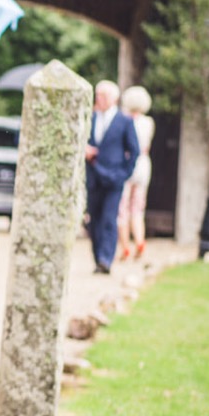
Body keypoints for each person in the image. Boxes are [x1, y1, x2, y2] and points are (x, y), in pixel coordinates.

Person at [85, 79, 141, 274]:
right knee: (94, 220)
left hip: (113, 178)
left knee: (109, 219)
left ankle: (106, 259)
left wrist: (124, 173)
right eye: (98, 95)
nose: (98, 99)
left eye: (102, 95)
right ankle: (98, 256)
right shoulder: (90, 118)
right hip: (93, 176)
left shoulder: (124, 121)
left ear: (113, 98)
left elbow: (134, 151)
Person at [117, 84, 156, 262]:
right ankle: (139, 241)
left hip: (128, 163)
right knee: (138, 207)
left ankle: (125, 246)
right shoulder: (148, 122)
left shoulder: (125, 120)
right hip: (143, 164)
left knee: (123, 206)